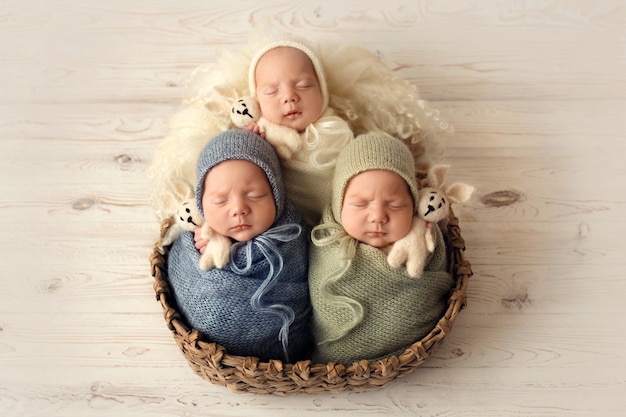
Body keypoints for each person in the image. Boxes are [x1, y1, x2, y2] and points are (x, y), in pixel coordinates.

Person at [307, 132, 454, 364]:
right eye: (361, 204)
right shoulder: (326, 240)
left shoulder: (423, 239)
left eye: (394, 205)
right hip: (337, 360)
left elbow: (433, 283)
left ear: (413, 204)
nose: (377, 217)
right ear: (339, 205)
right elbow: (320, 297)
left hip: (412, 352)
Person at [167, 129, 312, 363]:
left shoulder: (290, 234)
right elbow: (186, 280)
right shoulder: (195, 239)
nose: (239, 209)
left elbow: (306, 286)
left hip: (284, 354)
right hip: (209, 353)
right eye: (220, 200)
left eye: (254, 195)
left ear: (277, 194)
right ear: (201, 204)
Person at [245, 37, 354, 226]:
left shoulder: (336, 130)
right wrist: (251, 146)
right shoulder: (262, 135)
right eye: (272, 91)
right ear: (257, 101)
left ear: (322, 90)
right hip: (285, 225)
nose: (289, 97)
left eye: (303, 86)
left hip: (341, 221)